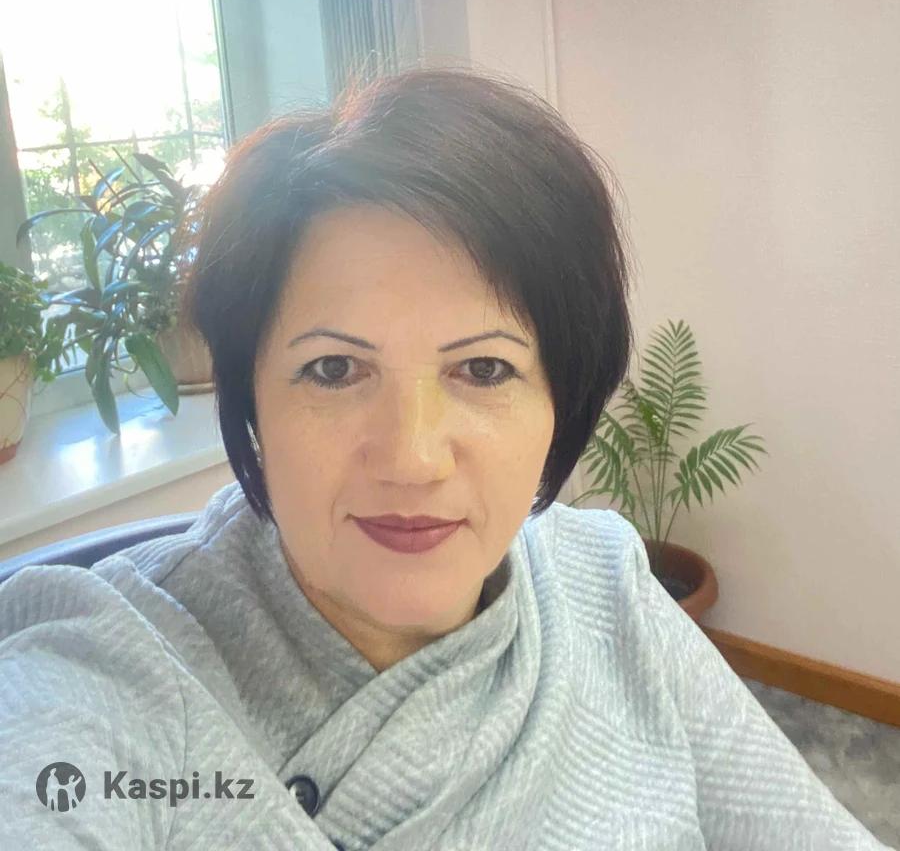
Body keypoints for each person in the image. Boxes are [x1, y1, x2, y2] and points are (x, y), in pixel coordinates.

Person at [0, 65, 889, 849]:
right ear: (252, 397)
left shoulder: (602, 583)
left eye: (484, 369)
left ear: (561, 400)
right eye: (334, 369)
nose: (414, 459)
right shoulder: (110, 668)